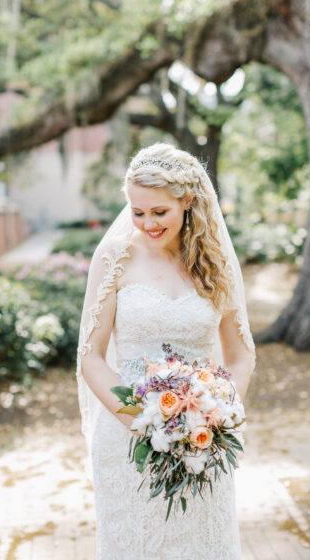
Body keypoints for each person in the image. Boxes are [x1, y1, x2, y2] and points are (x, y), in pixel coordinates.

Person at [76, 142, 256, 560]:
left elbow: (241, 355)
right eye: (137, 212)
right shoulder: (115, 258)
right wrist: (143, 422)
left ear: (188, 200)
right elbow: (91, 357)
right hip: (128, 438)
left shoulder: (216, 263)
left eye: (160, 212)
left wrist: (216, 415)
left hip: (201, 441)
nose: (147, 223)